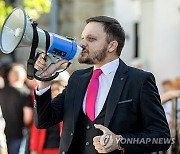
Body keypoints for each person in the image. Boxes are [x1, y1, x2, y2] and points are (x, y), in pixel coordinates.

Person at [33, 16, 170, 154]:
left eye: (91, 39)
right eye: (82, 37)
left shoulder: (139, 80)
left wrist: (120, 141)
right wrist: (44, 80)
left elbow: (162, 138)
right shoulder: (77, 79)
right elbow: (44, 121)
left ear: (112, 46)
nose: (82, 44)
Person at [29, 72, 69, 154]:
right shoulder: (44, 109)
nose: (54, 92)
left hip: (62, 150)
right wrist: (33, 150)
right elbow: (36, 131)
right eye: (52, 90)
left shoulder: (68, 109)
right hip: (45, 150)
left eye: (58, 89)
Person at [0, 63, 33, 154]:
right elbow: (27, 117)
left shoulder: (2, 91)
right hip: (18, 133)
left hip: (3, 133)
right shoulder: (26, 92)